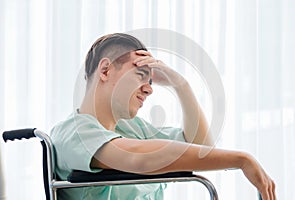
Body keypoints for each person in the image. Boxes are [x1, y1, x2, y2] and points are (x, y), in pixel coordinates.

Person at [51, 33, 276, 200]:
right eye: (140, 75)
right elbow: (139, 159)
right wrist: (241, 159)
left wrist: (181, 85)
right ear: (106, 70)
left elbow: (202, 147)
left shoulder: (135, 130)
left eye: (151, 81)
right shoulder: (73, 132)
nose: (149, 89)